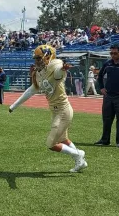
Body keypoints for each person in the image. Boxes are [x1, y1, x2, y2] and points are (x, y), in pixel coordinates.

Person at [8, 44, 87, 173]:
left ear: (47, 57)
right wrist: (14, 105)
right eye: (36, 58)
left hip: (63, 110)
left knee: (51, 144)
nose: (36, 61)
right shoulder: (39, 73)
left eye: (39, 58)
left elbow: (58, 72)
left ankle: (78, 155)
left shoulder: (54, 67)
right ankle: (80, 161)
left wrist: (63, 69)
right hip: (56, 111)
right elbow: (30, 91)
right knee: (63, 139)